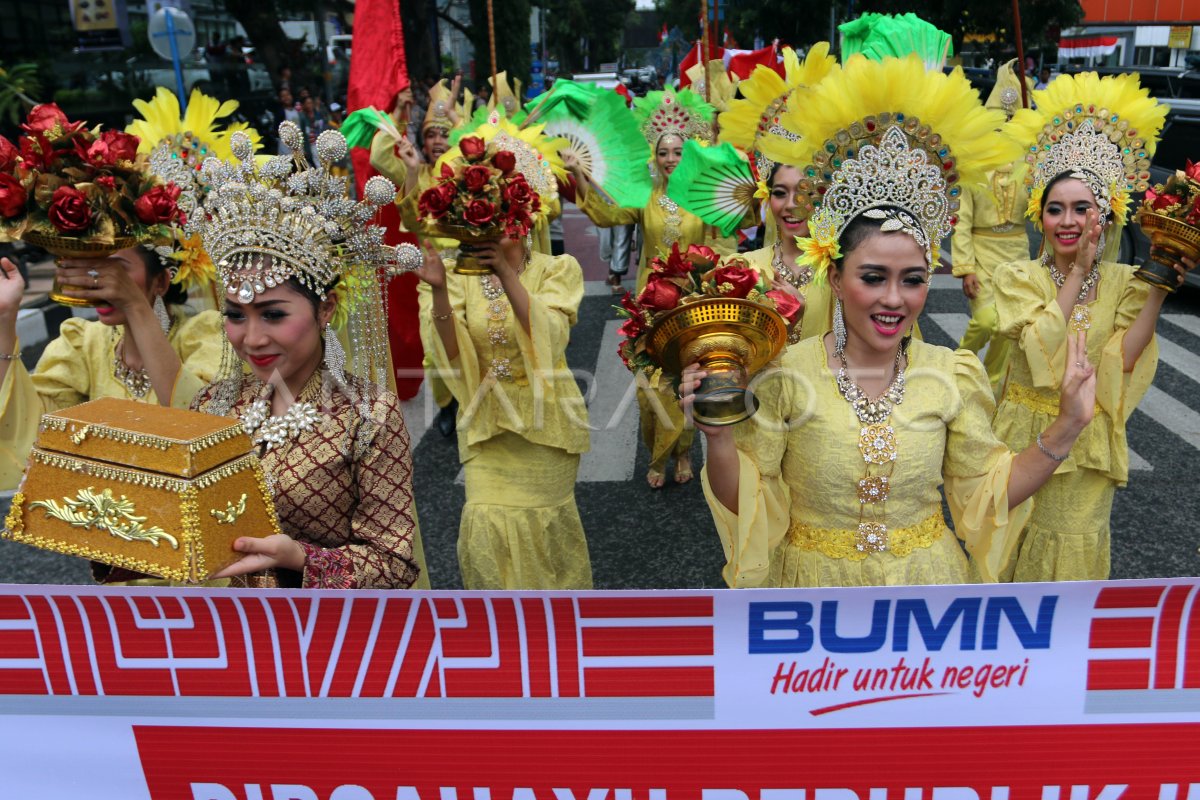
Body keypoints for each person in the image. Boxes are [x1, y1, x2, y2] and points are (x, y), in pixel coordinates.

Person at [691, 54, 1096, 588]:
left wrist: (1067, 425)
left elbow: (989, 489)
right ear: (834, 279)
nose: (894, 299)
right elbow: (748, 496)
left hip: (925, 592)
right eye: (873, 276)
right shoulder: (786, 373)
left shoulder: (951, 374)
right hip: (813, 594)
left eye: (913, 279)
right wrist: (717, 435)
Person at [190, 124, 428, 589]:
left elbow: (397, 565)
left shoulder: (368, 416)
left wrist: (302, 558)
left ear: (326, 310)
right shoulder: (211, 408)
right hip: (237, 638)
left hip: (333, 642)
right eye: (235, 315)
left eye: (273, 314)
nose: (252, 338)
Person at [992, 71, 1190, 582]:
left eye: (1083, 208)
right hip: (1021, 433)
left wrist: (1161, 286)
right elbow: (1039, 343)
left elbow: (1123, 359)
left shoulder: (1126, 280)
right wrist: (1077, 272)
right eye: (1055, 209)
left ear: (1105, 215)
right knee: (1004, 545)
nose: (1068, 220)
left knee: (1070, 554)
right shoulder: (1018, 277)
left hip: (1087, 441)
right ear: (1040, 217)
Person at [414, 161, 592, 589]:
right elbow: (449, 353)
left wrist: (507, 274)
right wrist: (438, 287)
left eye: (506, 210)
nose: (498, 222)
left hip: (545, 427)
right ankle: (506, 635)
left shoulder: (557, 269)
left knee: (544, 533)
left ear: (528, 213)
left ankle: (560, 627)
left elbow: (551, 336)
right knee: (485, 523)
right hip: (486, 426)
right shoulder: (458, 278)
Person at [564, 88, 735, 488]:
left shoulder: (701, 194)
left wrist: (710, 276)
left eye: (677, 152)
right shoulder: (645, 196)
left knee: (688, 380)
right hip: (650, 305)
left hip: (692, 301)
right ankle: (656, 452)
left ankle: (682, 453)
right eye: (664, 153)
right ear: (654, 157)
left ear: (688, 153)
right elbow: (608, 214)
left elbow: (722, 243)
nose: (671, 159)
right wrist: (578, 173)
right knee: (648, 387)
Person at [952, 60, 1033, 396]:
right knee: (987, 321)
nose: (1005, 129)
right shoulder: (971, 164)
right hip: (982, 253)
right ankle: (959, 365)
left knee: (1009, 326)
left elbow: (1044, 210)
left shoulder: (1031, 163)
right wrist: (965, 268)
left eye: (1013, 123)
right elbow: (962, 220)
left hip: (1017, 253)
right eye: (1000, 122)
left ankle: (991, 385)